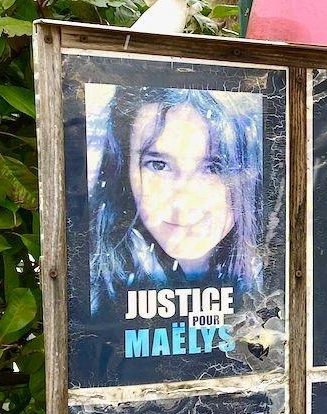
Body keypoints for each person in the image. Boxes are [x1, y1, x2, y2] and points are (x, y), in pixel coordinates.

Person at [90, 86, 263, 314]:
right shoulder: (93, 284)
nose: (184, 205)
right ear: (123, 169)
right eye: (159, 165)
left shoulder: (279, 276)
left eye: (214, 168)